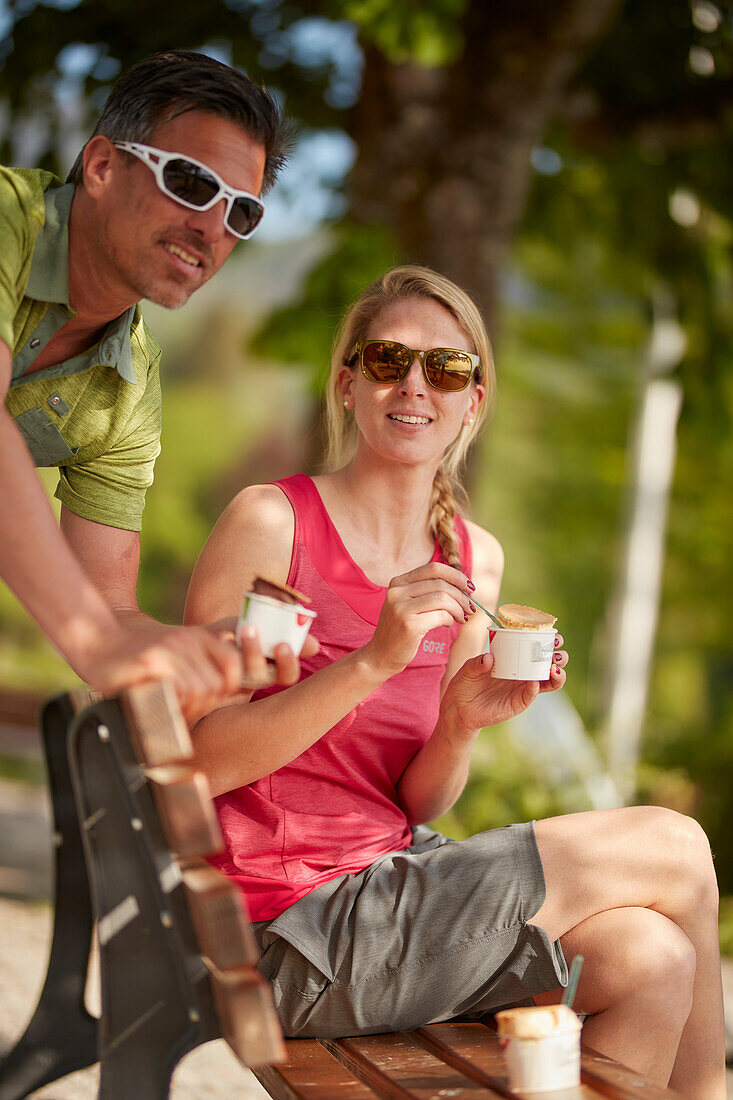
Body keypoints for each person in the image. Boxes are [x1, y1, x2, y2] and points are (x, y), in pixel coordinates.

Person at [184, 266, 724, 1099]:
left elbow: (415, 802)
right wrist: (373, 660)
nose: (414, 385)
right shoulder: (274, 523)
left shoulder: (472, 561)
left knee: (651, 959)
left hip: (385, 890)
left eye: (446, 368)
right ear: (348, 383)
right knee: (676, 847)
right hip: (283, 930)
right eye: (389, 359)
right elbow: (206, 762)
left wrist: (461, 724)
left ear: (472, 401)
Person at [1, 49, 312, 722]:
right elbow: (96, 635)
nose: (212, 227)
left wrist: (196, 649)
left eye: (242, 214)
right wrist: (101, 643)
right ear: (103, 166)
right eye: (192, 184)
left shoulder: (131, 389)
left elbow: (108, 608)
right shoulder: (6, 220)